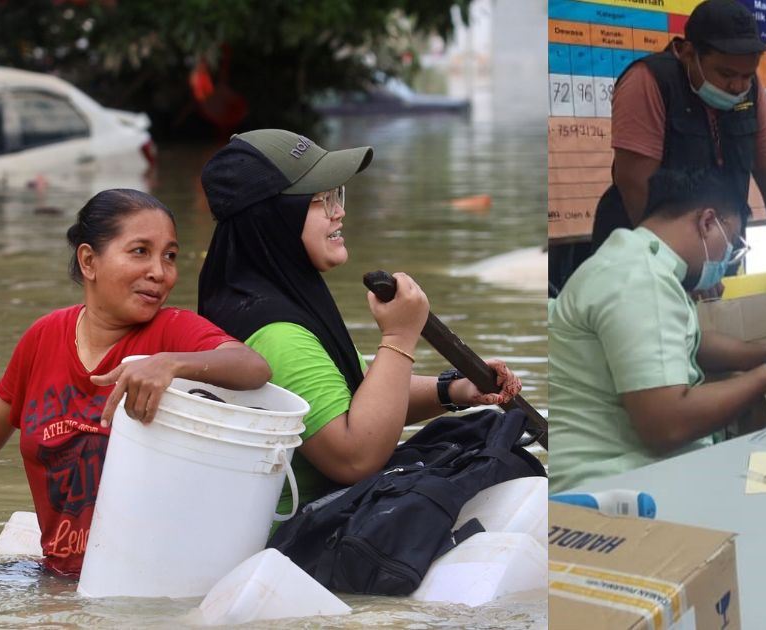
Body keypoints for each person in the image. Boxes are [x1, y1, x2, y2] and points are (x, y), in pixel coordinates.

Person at [196, 129, 522, 517]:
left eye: (338, 195)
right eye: (322, 200)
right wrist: (400, 336)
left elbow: (359, 400)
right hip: (299, 540)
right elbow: (355, 457)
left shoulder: (264, 298)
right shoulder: (276, 333)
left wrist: (453, 390)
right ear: (274, 218)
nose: (340, 212)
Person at [0, 189, 272, 578]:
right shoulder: (44, 337)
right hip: (59, 576)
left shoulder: (172, 332)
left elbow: (253, 366)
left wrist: (170, 364)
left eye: (169, 256)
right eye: (140, 251)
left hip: (144, 585)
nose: (160, 272)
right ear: (89, 261)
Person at [548, 168, 766, 492]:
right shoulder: (641, 279)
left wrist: (765, 354)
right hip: (611, 483)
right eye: (731, 245)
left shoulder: (634, 261)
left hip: (623, 469)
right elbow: (666, 424)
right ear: (707, 222)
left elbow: (684, 345)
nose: (726, 261)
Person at [549, 0, 766, 291]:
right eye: (726, 74)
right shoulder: (649, 81)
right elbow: (635, 183)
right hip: (641, 262)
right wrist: (683, 270)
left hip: (712, 256)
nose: (739, 86)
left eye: (747, 75)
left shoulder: (750, 91)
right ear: (689, 53)